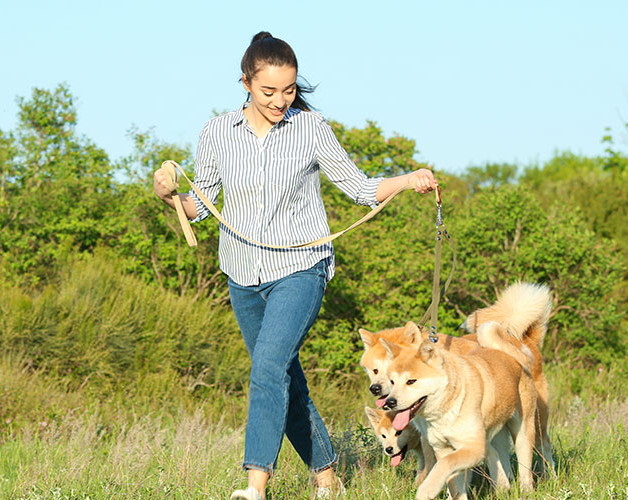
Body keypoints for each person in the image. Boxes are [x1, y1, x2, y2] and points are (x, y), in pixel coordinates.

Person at [153, 31, 437, 500]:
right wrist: (169, 194)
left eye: (288, 90)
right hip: (242, 275)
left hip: (300, 268)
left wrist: (409, 180)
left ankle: (254, 486)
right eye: (268, 91)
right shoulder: (216, 133)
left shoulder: (310, 128)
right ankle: (327, 477)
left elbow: (361, 189)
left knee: (266, 369)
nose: (280, 100)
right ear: (245, 82)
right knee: (282, 375)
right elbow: (200, 206)